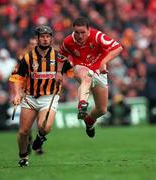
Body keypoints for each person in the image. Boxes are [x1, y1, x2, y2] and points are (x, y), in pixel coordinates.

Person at [56, 17, 123, 138]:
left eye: (83, 33)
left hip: (98, 71)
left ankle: (89, 121)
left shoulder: (97, 36)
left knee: (102, 109)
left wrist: (103, 62)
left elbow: (118, 47)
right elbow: (61, 57)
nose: (80, 36)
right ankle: (82, 105)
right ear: (73, 30)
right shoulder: (68, 41)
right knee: (86, 77)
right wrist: (59, 72)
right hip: (80, 68)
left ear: (88, 30)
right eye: (77, 32)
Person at [9, 25, 62, 167]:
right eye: (42, 37)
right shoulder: (26, 58)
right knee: (23, 132)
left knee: (44, 127)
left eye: (48, 37)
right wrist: (17, 94)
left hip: (49, 97)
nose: (45, 39)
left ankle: (40, 137)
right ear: (37, 39)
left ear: (51, 39)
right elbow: (17, 77)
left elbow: (72, 71)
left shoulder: (58, 57)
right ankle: (23, 156)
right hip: (30, 98)